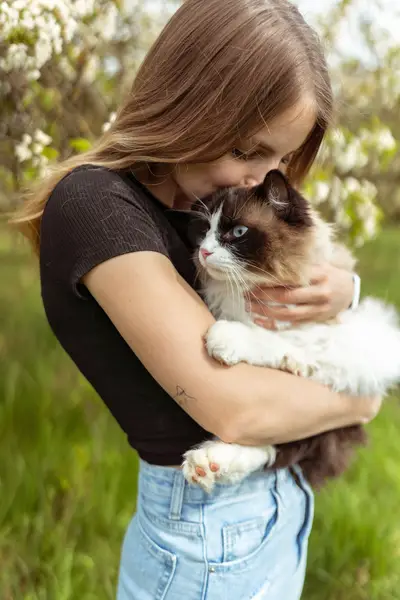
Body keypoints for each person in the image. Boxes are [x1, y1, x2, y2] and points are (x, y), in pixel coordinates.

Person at [13, 0, 381, 598]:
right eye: (247, 150)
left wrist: (346, 291)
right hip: (207, 532)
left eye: (280, 159)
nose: (261, 181)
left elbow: (305, 293)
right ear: (190, 107)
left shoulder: (202, 203)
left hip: (277, 502)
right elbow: (235, 411)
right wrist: (358, 401)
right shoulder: (97, 208)